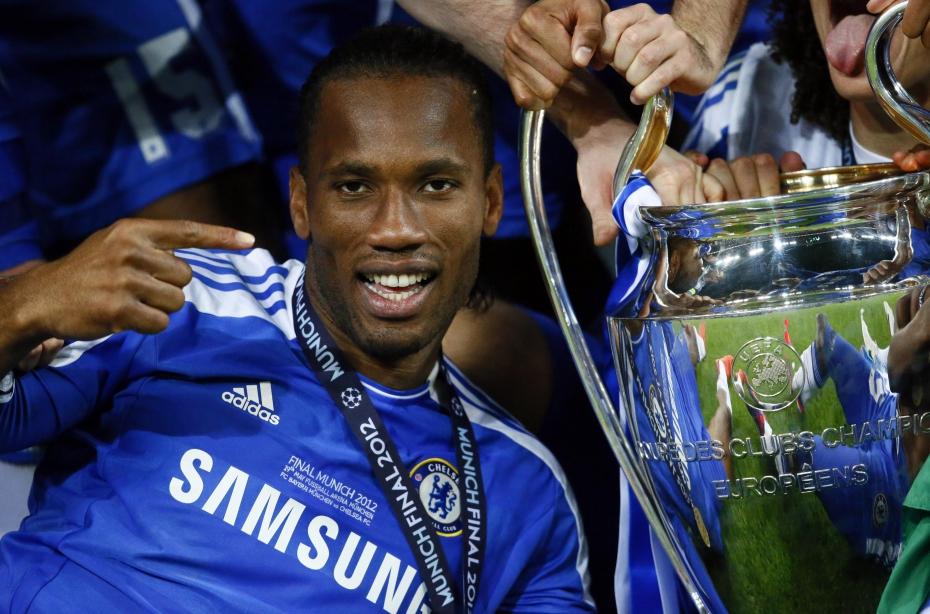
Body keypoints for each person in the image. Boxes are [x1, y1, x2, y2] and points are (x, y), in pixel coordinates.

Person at [0, 25, 593, 612]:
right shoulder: (183, 299)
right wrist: (22, 306)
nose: (396, 230)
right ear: (302, 203)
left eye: (436, 185)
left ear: (491, 201)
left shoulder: (524, 492)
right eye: (355, 187)